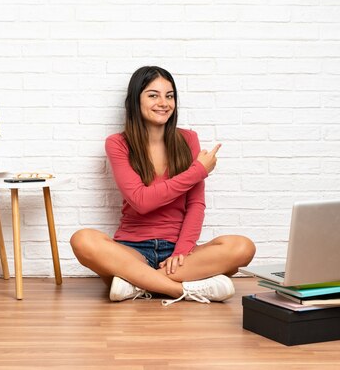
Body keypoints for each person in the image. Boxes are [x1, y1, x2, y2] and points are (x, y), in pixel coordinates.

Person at [70, 66, 255, 306]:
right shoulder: (118, 143)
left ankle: (137, 284)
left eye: (170, 96)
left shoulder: (188, 140)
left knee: (242, 247)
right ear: (136, 101)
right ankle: (182, 290)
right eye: (153, 95)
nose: (164, 102)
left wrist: (182, 250)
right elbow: (141, 201)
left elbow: (196, 204)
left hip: (180, 253)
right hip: (132, 251)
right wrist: (198, 171)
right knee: (83, 240)